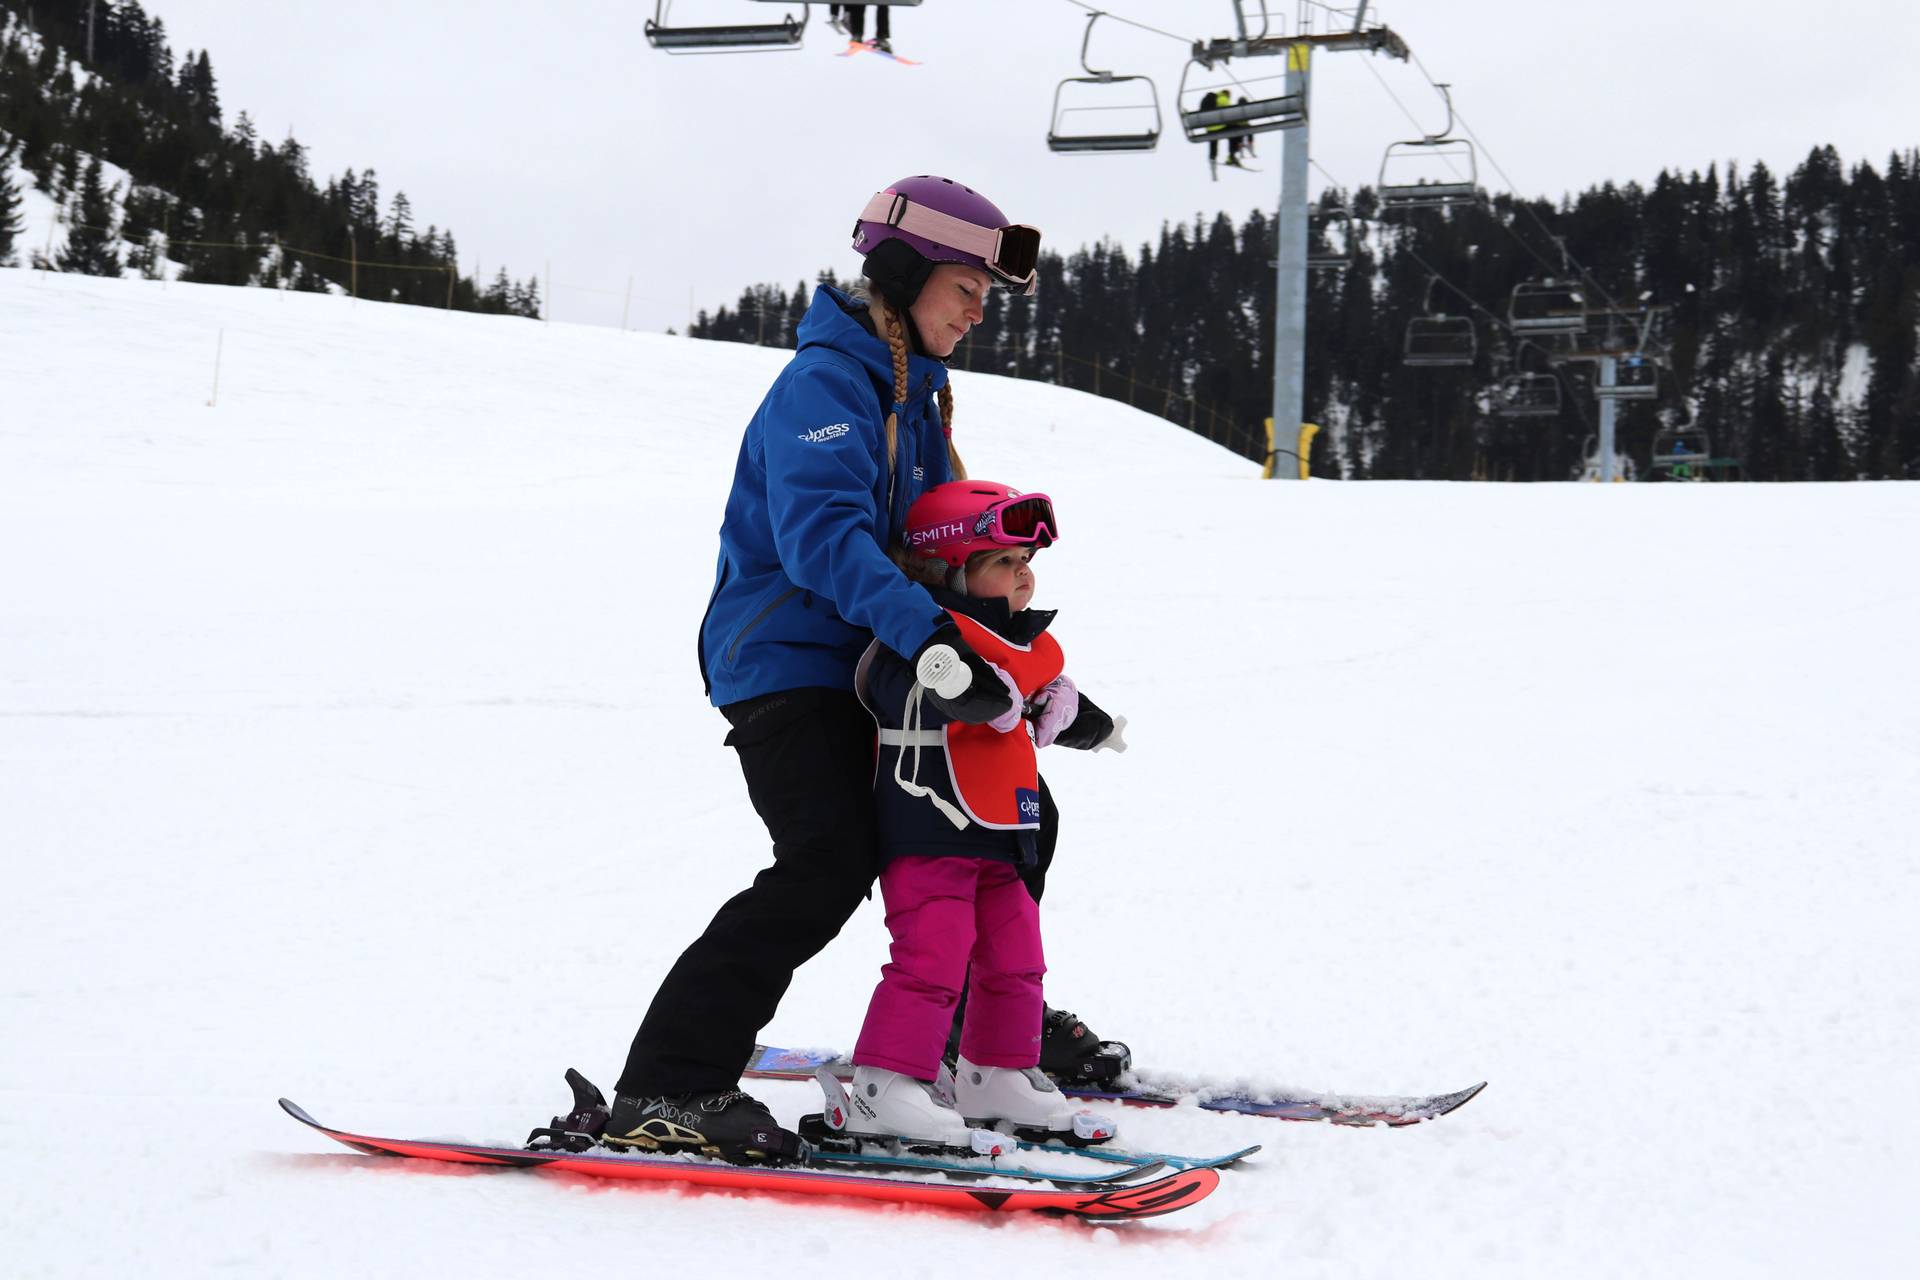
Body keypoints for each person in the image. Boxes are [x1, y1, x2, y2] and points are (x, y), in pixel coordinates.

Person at [599, 176, 1118, 1166]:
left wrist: (1016, 662)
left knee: (1007, 824)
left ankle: (988, 1040)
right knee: (827, 859)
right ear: (906, 272)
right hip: (789, 663)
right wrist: (933, 643)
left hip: (882, 659)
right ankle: (667, 1083)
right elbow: (823, 541)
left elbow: (940, 547)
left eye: (984, 293)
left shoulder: (917, 396)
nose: (976, 309)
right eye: (965, 284)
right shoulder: (828, 386)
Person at [842, 481, 1126, 1146]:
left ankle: (994, 1072)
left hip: (1003, 834)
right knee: (932, 956)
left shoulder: (1020, 650)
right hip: (928, 827)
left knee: (1015, 957)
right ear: (949, 568)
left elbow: (1048, 700)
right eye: (1003, 561)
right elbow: (899, 687)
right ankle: (885, 1085)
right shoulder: (920, 642)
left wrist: (1093, 723)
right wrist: (957, 685)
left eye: (1027, 561)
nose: (1024, 574)